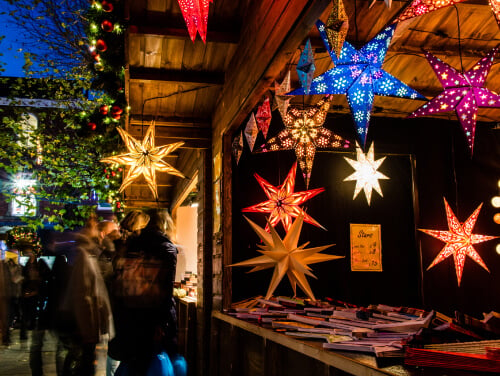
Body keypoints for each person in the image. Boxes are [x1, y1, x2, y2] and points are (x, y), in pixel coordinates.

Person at [112, 208, 178, 376]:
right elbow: (166, 288)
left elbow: (119, 282)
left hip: (129, 315)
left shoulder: (132, 244)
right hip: (152, 318)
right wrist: (162, 322)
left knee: (135, 363)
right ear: (165, 224)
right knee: (153, 363)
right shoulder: (166, 247)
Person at [60, 215, 114, 376]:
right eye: (93, 226)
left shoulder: (88, 253)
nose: (96, 230)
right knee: (83, 365)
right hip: (85, 326)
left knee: (85, 363)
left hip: (88, 325)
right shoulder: (84, 255)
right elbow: (83, 294)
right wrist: (87, 330)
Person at [106, 210, 150, 376]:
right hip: (128, 315)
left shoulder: (119, 249)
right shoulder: (132, 251)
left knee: (117, 359)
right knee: (121, 360)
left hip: (120, 314)